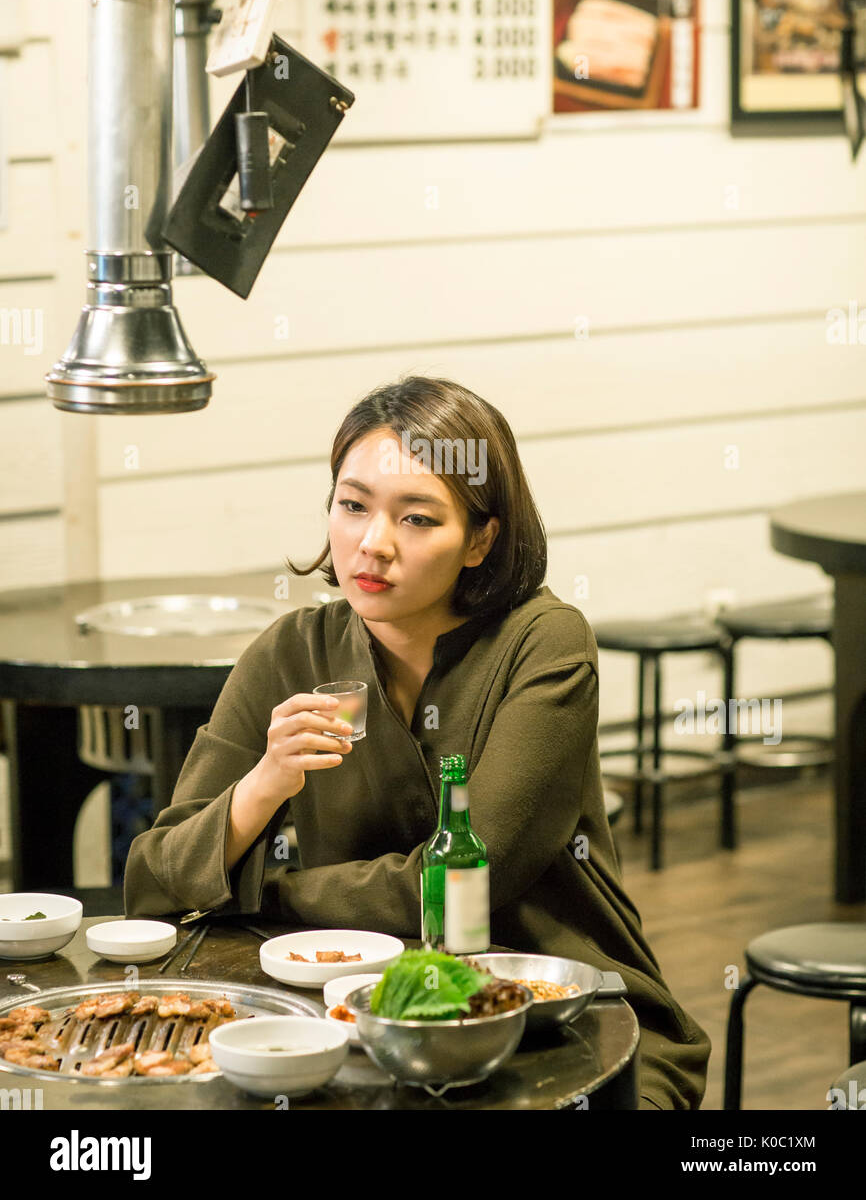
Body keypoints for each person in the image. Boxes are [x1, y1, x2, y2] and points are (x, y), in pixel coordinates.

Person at [124, 375, 712, 1110]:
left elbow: (469, 878)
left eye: (418, 519)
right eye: (353, 505)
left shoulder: (543, 644)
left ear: (482, 539)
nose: (373, 545)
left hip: (553, 1015)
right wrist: (263, 785)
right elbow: (155, 877)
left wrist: (264, 892)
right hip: (340, 1018)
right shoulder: (291, 652)